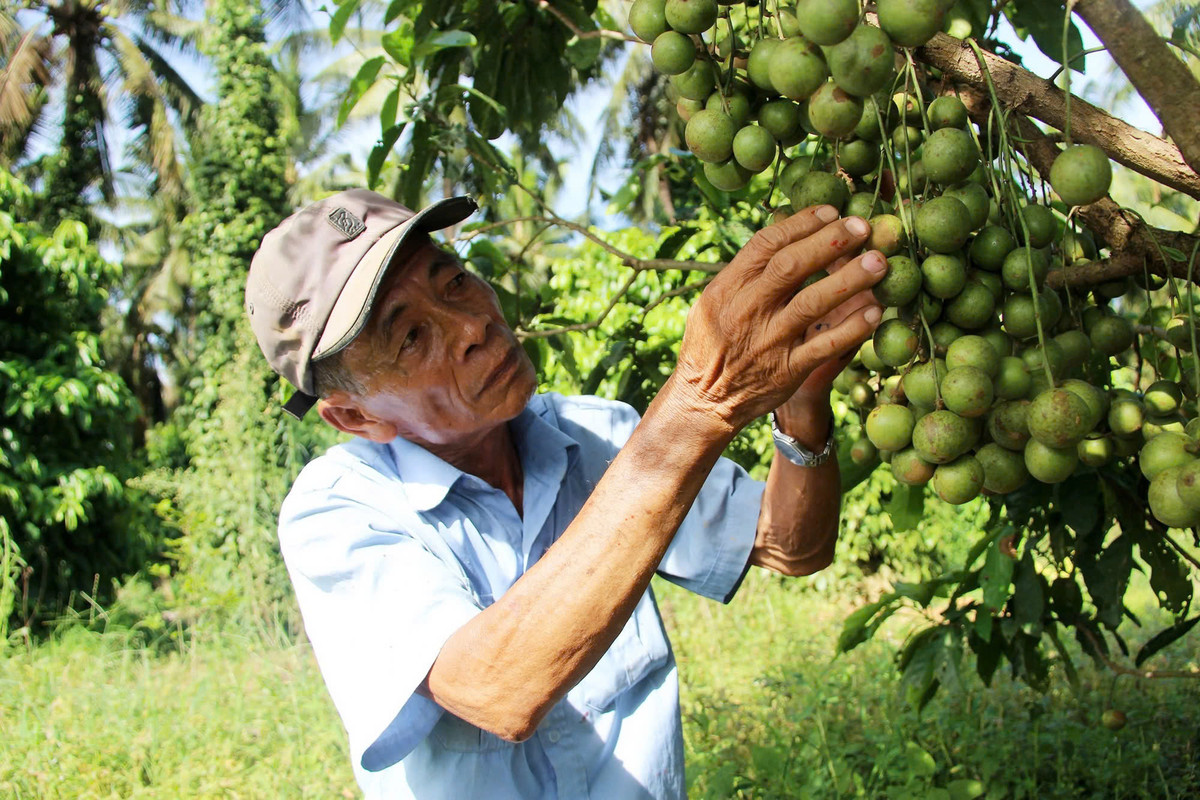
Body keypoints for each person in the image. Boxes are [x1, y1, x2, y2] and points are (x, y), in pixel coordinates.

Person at [245, 188, 886, 799]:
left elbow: (791, 545)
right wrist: (700, 401)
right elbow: (499, 687)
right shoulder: (337, 513)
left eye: (456, 282)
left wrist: (802, 403)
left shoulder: (592, 433)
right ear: (357, 418)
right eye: (410, 335)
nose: (472, 326)